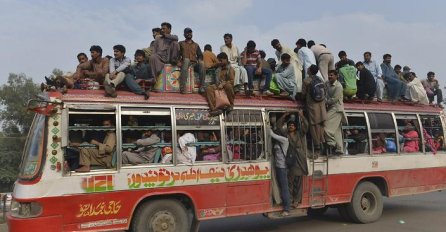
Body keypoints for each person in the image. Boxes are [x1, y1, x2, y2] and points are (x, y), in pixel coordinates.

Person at [276, 111, 309, 208]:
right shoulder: (285, 134)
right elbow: (278, 126)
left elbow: (306, 125)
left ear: (295, 127)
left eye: (292, 125)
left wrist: (301, 115)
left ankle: (296, 200)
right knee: (289, 182)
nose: (291, 126)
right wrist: (285, 115)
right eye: (289, 125)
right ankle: (290, 200)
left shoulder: (300, 134)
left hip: (299, 160)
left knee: (298, 183)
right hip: (290, 160)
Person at [301, 64, 327, 153]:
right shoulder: (320, 80)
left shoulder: (306, 81)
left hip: (312, 105)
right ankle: (322, 141)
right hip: (322, 105)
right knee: (321, 124)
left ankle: (317, 145)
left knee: (313, 125)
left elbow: (303, 94)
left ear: (309, 71)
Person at [269, 124, 291, 216]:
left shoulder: (284, 140)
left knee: (284, 187)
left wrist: (267, 127)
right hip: (278, 166)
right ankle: (282, 202)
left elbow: (272, 135)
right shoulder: (278, 142)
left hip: (283, 167)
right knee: (280, 186)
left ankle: (287, 208)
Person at [324, 70, 347, 155]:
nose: (330, 77)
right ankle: (339, 149)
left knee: (324, 124)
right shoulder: (326, 83)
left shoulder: (339, 86)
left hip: (336, 109)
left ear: (336, 76)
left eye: (331, 75)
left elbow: (334, 100)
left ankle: (331, 143)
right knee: (336, 130)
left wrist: (324, 102)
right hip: (330, 108)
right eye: (329, 75)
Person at [179, 27, 205, 93]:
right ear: (184, 34)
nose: (189, 34)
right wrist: (178, 61)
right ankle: (183, 88)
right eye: (187, 32)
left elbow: (200, 55)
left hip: (194, 63)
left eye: (190, 32)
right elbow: (177, 54)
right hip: (185, 63)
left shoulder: (196, 45)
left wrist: (199, 60)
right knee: (187, 60)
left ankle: (202, 87)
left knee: (201, 63)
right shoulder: (181, 43)